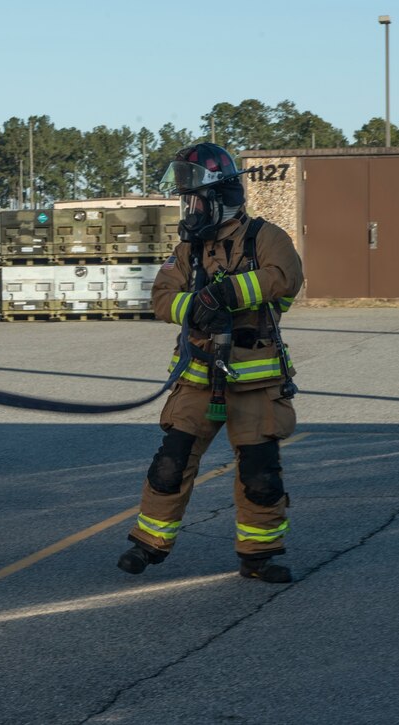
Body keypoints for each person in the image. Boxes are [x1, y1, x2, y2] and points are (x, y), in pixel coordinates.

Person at [117, 143, 303, 583]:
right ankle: (148, 544)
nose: (189, 208)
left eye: (195, 200)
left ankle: (260, 556)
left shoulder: (266, 238)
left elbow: (286, 277)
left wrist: (227, 294)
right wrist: (195, 307)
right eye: (187, 201)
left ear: (220, 199)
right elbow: (161, 299)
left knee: (261, 475)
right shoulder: (188, 251)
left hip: (257, 382)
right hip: (198, 380)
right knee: (170, 464)